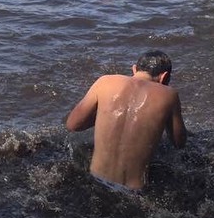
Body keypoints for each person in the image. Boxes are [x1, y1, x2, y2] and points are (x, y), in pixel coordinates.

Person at [65, 50, 187, 192]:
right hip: (133, 192)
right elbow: (179, 142)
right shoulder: (169, 95)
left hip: (95, 181)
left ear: (134, 69)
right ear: (164, 77)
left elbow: (73, 124)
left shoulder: (105, 82)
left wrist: (105, 114)